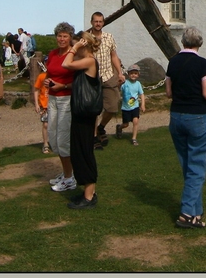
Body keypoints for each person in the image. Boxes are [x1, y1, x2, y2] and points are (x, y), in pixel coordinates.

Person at [166, 26, 206, 229]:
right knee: (197, 166)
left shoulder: (173, 62)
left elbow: (169, 92)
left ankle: (196, 212)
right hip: (198, 116)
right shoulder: (202, 63)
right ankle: (186, 213)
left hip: (177, 115)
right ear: (199, 43)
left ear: (183, 42)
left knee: (188, 164)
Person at [62, 31, 101, 209]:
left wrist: (75, 47)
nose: (74, 48)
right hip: (79, 113)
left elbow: (66, 64)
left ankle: (89, 196)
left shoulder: (90, 60)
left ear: (83, 45)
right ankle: (87, 191)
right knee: (77, 151)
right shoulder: (84, 63)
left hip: (85, 115)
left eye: (77, 45)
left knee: (84, 152)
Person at [45, 22, 77, 192]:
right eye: (59, 35)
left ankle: (69, 178)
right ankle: (66, 172)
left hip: (66, 99)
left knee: (64, 139)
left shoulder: (74, 55)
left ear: (71, 38)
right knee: (53, 136)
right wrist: (47, 81)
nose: (62, 39)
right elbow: (50, 73)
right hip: (52, 98)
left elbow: (80, 81)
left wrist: (63, 86)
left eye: (65, 36)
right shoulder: (52, 54)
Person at [89, 12, 124, 150]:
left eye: (100, 21)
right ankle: (94, 136)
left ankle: (101, 127)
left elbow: (114, 56)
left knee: (112, 106)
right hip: (92, 78)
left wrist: (120, 73)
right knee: (94, 110)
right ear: (92, 22)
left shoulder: (109, 37)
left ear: (103, 23)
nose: (98, 23)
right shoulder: (87, 38)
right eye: (96, 21)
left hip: (108, 76)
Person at [117, 64, 146, 145]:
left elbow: (142, 94)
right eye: (131, 73)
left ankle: (134, 138)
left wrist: (143, 105)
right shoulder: (125, 83)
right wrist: (119, 84)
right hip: (125, 108)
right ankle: (119, 127)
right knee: (126, 124)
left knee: (135, 121)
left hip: (135, 107)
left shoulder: (138, 84)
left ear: (138, 74)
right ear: (128, 74)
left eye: (135, 73)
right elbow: (118, 89)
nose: (133, 75)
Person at [34, 70, 51, 153]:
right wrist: (36, 104)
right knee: (45, 124)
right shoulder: (41, 76)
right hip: (44, 104)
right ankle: (45, 144)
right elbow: (36, 89)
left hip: (54, 103)